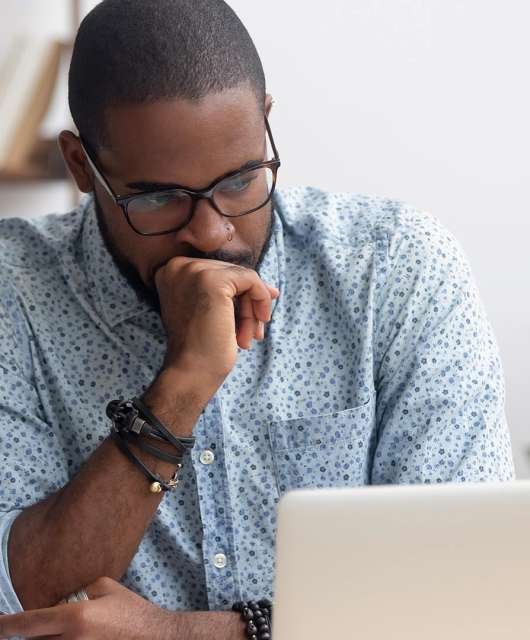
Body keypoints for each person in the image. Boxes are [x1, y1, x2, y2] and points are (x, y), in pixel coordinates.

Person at [0, 0, 514, 637]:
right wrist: (180, 388)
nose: (213, 233)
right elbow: (19, 605)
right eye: (159, 199)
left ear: (266, 124)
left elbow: (467, 591)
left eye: (241, 181)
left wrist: (184, 634)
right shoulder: (12, 292)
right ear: (82, 167)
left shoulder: (395, 270)